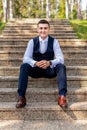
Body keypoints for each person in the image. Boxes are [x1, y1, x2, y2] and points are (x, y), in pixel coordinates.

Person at [16, 19, 67, 108]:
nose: (43, 30)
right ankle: (21, 97)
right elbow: (25, 58)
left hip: (49, 70)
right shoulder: (32, 41)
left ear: (49, 29)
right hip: (36, 70)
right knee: (24, 66)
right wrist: (35, 63)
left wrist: (50, 62)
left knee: (61, 66)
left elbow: (61, 58)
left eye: (45, 28)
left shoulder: (54, 41)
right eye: (41, 28)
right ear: (37, 29)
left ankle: (62, 97)